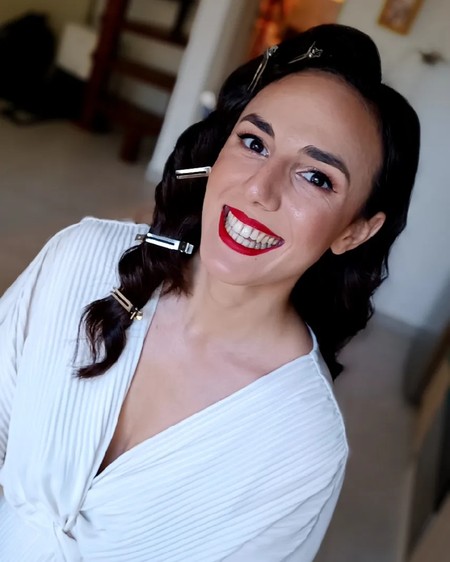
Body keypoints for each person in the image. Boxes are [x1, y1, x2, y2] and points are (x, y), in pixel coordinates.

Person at [0, 23, 420, 562]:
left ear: (356, 231)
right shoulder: (80, 257)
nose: (259, 189)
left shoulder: (304, 447)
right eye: (254, 142)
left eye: (316, 177)